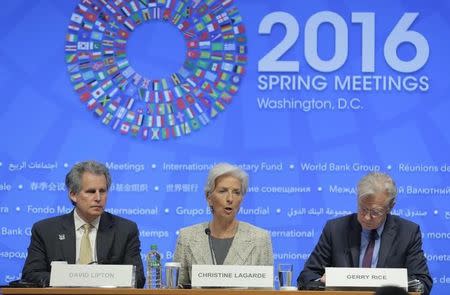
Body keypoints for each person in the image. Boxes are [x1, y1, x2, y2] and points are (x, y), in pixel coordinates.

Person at [298, 172, 432, 295]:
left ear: (390, 207)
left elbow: (423, 283)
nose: (367, 217)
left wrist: (396, 284)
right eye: (362, 209)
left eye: (375, 212)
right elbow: (306, 276)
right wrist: (325, 283)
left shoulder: (407, 233)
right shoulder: (335, 229)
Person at [21, 161, 145, 288]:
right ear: (73, 195)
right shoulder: (45, 230)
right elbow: (31, 275)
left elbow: (138, 278)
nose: (98, 198)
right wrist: (71, 278)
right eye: (91, 191)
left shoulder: (125, 230)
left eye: (102, 191)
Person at [174, 162, 273, 285]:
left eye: (236, 192)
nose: (230, 199)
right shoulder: (187, 237)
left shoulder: (260, 238)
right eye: (223, 191)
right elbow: (178, 289)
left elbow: (266, 291)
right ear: (209, 197)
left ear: (241, 199)